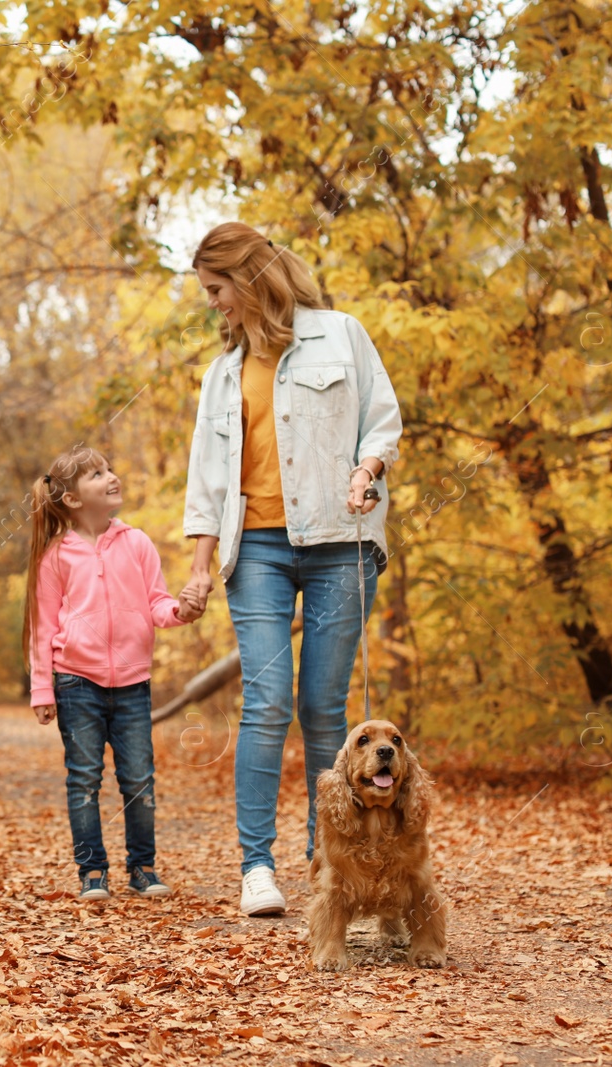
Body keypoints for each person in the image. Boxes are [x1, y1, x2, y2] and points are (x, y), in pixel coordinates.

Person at [179, 222, 403, 917]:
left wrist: (367, 468)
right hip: (260, 550)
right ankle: (256, 867)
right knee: (268, 699)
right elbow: (207, 479)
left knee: (323, 708)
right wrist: (197, 565)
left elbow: (382, 417)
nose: (214, 303)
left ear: (246, 279)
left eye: (217, 289)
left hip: (342, 538)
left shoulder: (342, 334)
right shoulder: (223, 374)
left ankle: (325, 859)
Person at [25, 445, 200, 901]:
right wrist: (42, 687)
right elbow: (43, 626)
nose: (110, 477)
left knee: (139, 778)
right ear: (73, 499)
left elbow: (157, 603)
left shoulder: (137, 542)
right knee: (83, 777)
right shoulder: (56, 557)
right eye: (96, 474)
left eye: (108, 469)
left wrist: (181, 610)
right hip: (75, 681)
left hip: (132, 683)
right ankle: (92, 872)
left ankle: (142, 867)